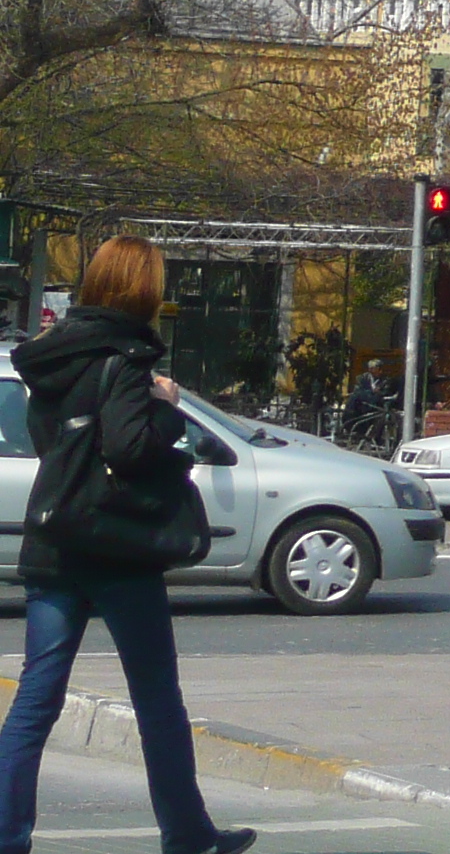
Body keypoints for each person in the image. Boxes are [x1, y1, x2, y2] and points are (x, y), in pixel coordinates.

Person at [0, 237, 259, 854]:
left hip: (55, 541)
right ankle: (188, 834)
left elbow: (51, 444)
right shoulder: (126, 358)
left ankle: (7, 835)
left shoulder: (51, 356)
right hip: (117, 550)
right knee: (157, 701)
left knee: (37, 697)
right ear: (141, 290)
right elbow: (127, 447)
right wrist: (167, 410)